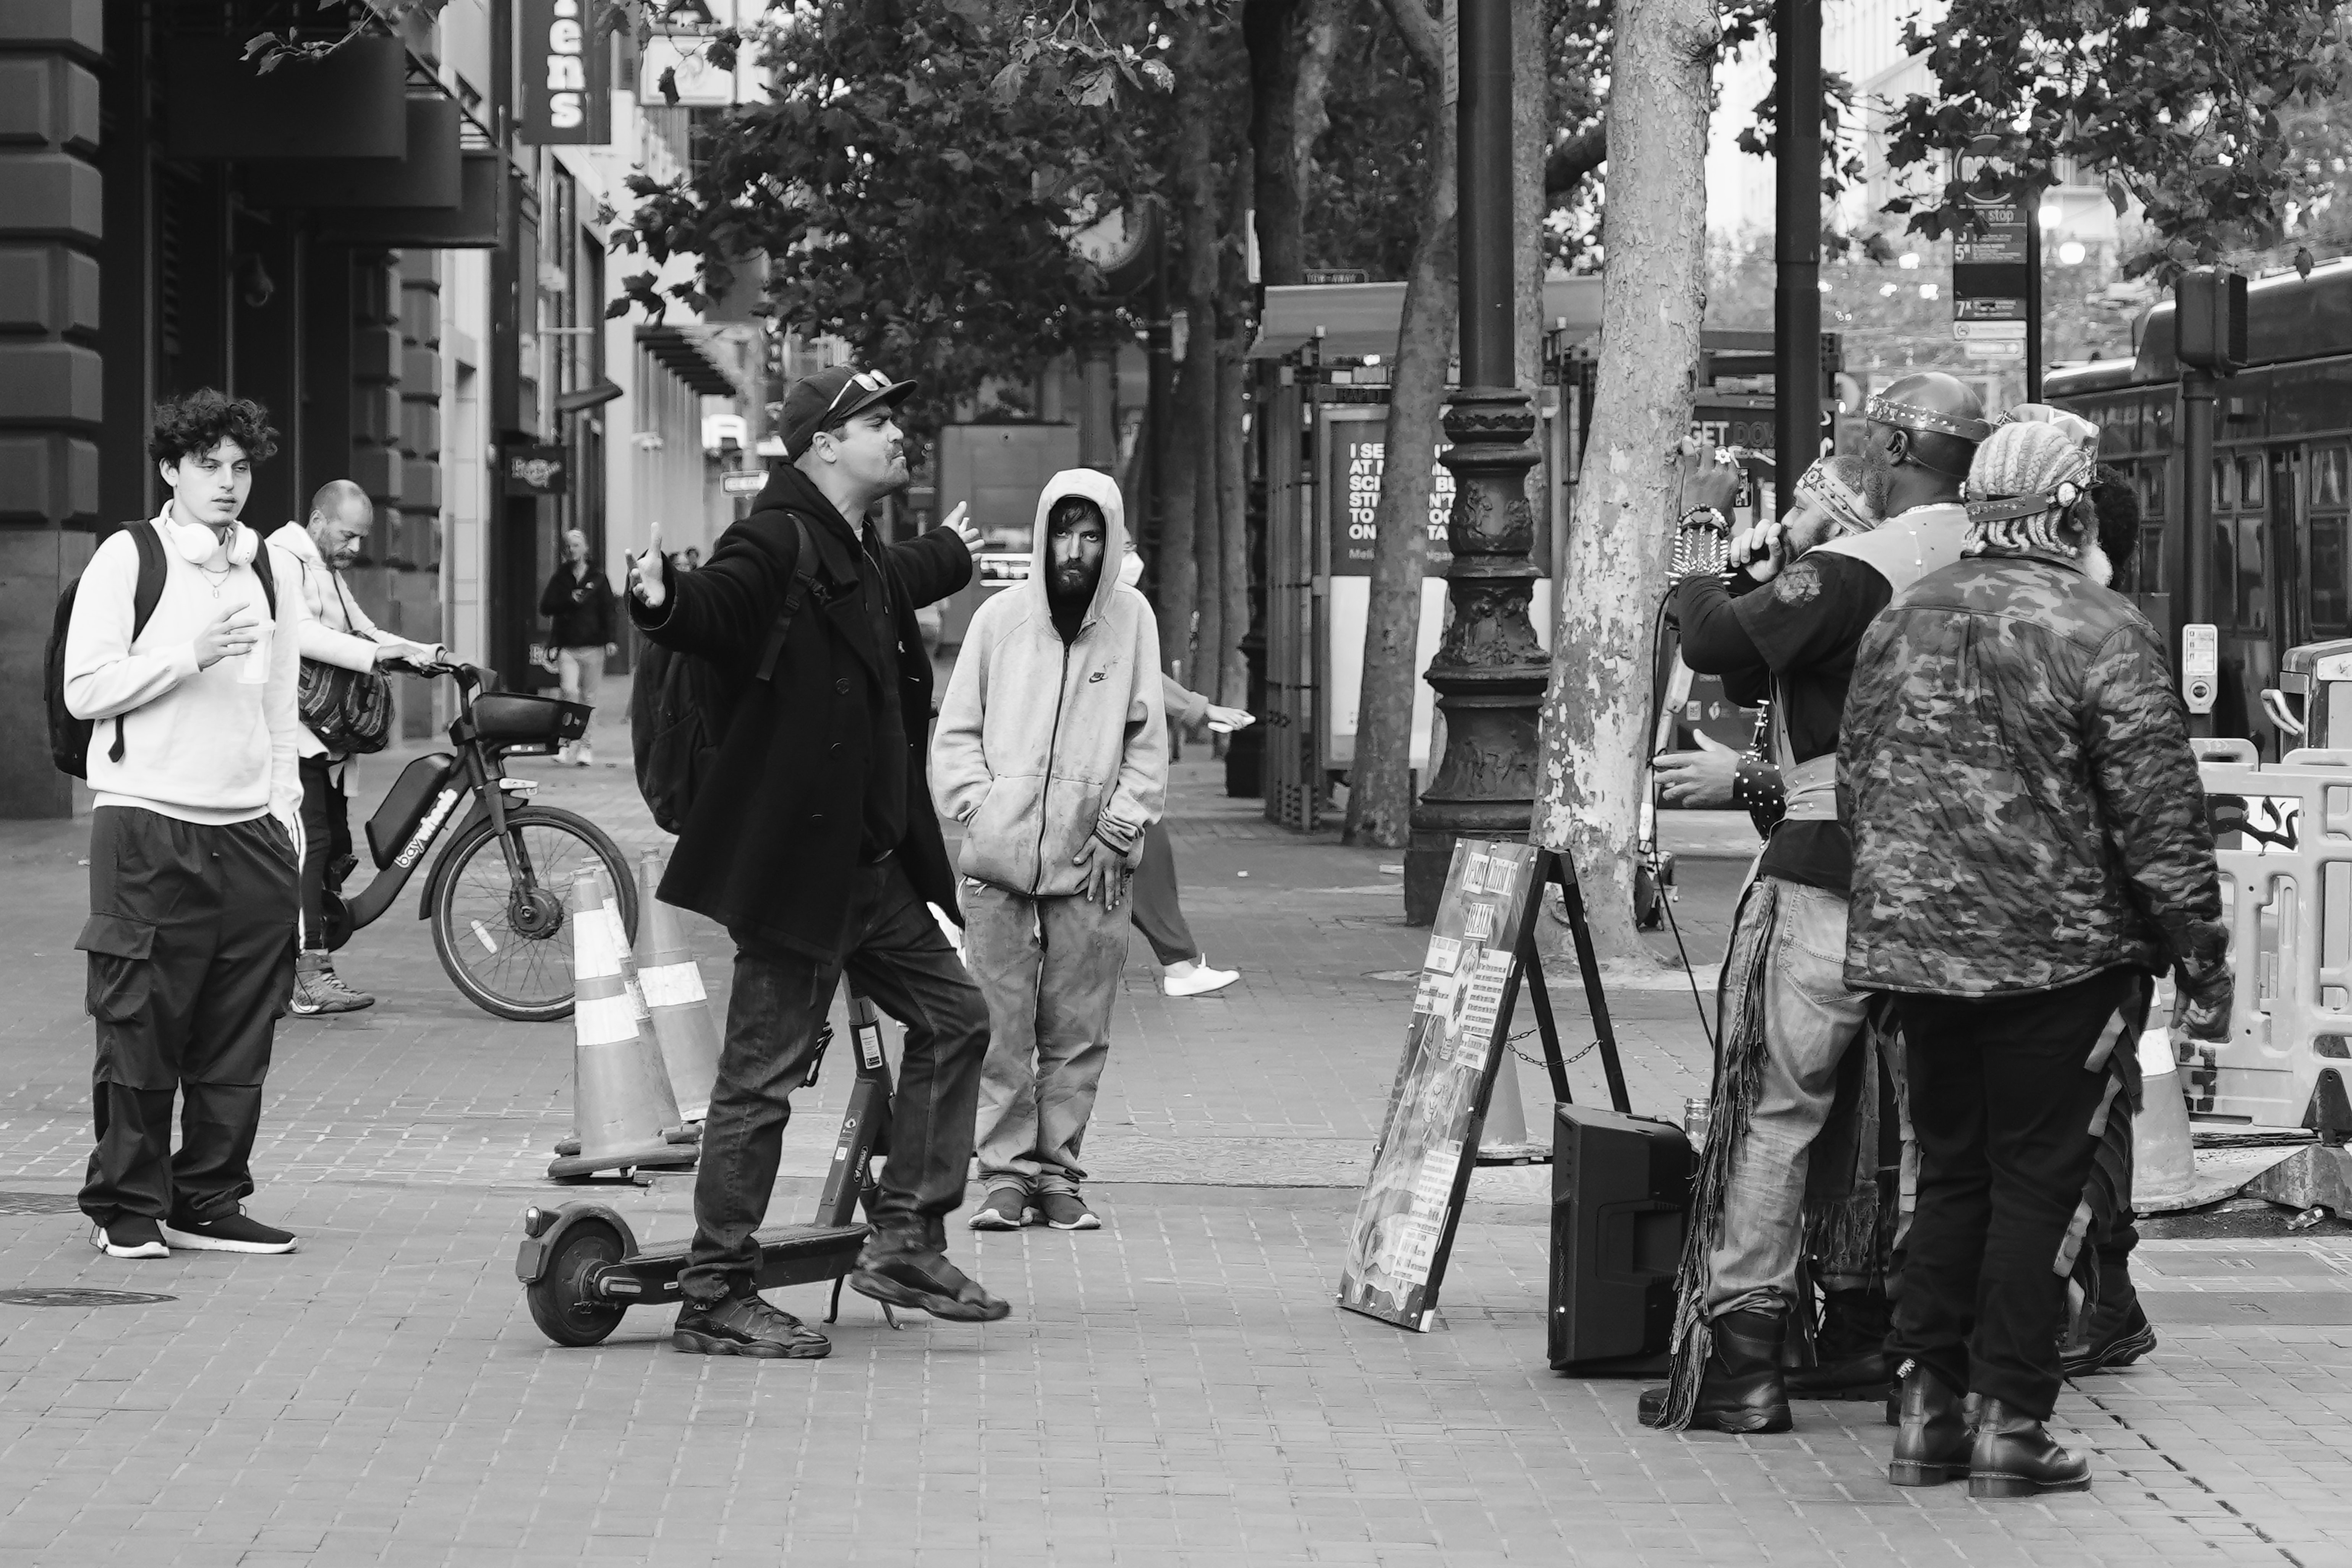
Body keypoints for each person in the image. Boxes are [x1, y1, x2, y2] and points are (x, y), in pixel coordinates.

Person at [1844, 417, 2231, 1496]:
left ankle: (1925, 1412)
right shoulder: (2098, 625)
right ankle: (2010, 1424)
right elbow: (2159, 818)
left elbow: (1860, 784)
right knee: (2037, 1189)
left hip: (1921, 960)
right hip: (2059, 963)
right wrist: (2200, 958)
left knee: (1951, 1174)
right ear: (2069, 512)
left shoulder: (1901, 618)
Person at [628, 364, 1002, 1357]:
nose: (896, 433)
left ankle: (907, 1238)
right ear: (824, 442)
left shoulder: (851, 550)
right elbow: (714, 609)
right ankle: (715, 1294)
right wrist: (663, 602)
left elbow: (900, 578)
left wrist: (955, 552)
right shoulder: (773, 540)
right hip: (797, 871)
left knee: (956, 1020)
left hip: (868, 869)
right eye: (877, 420)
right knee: (760, 1082)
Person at [1643, 374, 1990, 1435]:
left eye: (1855, 439)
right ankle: (1922, 1358)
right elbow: (1778, 674)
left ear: (1892, 446)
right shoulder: (2000, 565)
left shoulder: (1866, 564)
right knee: (1941, 1129)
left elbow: (1714, 643)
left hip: (1830, 869)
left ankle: (1743, 1360)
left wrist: (1698, 534)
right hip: (1963, 886)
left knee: (1773, 1112)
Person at [61, 389, 305, 1259]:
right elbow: (83, 690)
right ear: (171, 469)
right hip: (148, 822)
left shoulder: (268, 568)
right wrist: (188, 654)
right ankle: (125, 1204)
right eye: (208, 466)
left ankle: (207, 1196)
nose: (229, 484)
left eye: (241, 467)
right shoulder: (131, 558)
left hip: (249, 833)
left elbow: (282, 709)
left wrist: (285, 816)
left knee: (240, 1027)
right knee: (141, 1022)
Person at [935, 471, 1168, 1234]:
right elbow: (957, 731)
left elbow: (1148, 741)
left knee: (1078, 1028)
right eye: (1064, 533)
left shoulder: (1134, 620)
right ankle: (1005, 1176)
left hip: (1096, 860)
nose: (1076, 549)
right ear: (1043, 536)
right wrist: (984, 809)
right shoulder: (999, 620)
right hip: (998, 865)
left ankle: (1059, 1174)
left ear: (1111, 539)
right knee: (1001, 1027)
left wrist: (1118, 829)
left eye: (1092, 533)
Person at [267, 481, 443, 1016]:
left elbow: (363, 630)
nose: (355, 548)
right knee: (311, 845)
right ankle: (309, 974)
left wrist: (421, 653)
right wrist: (380, 656)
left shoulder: (327, 571)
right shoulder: (283, 560)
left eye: (361, 538)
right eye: (348, 536)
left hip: (326, 739)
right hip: (294, 734)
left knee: (331, 849)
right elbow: (299, 635)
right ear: (319, 523)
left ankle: (288, 962)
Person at [1117, 551, 1247, 998]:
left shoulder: (1106, 608)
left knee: (1146, 854)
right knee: (1146, 848)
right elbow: (1140, 679)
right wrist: (1200, 710)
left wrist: (1199, 710)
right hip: (1096, 774)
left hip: (1100, 773)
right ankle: (1179, 964)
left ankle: (1180, 962)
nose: (1133, 556)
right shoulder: (1106, 611)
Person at [539, 529, 616, 766]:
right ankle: (565, 743)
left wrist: (610, 639)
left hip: (594, 646)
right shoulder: (561, 578)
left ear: (585, 548)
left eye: (577, 545)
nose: (573, 550)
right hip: (568, 647)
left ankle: (585, 746)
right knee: (569, 693)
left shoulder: (599, 578)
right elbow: (547, 607)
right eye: (569, 546)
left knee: (589, 698)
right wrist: (569, 600)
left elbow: (609, 610)